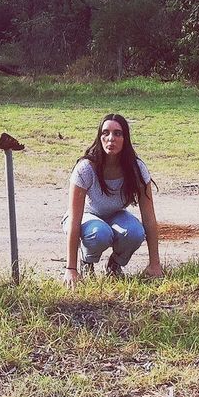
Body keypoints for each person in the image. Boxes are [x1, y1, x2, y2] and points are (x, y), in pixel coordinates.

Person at [63, 113, 163, 286]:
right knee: (100, 233)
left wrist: (155, 264)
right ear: (99, 137)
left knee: (135, 232)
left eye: (117, 133)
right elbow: (74, 219)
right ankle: (87, 261)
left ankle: (114, 265)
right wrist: (70, 269)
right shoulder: (85, 169)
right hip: (86, 217)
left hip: (116, 215)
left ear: (125, 139)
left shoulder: (137, 169)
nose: (111, 138)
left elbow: (149, 218)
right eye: (106, 133)